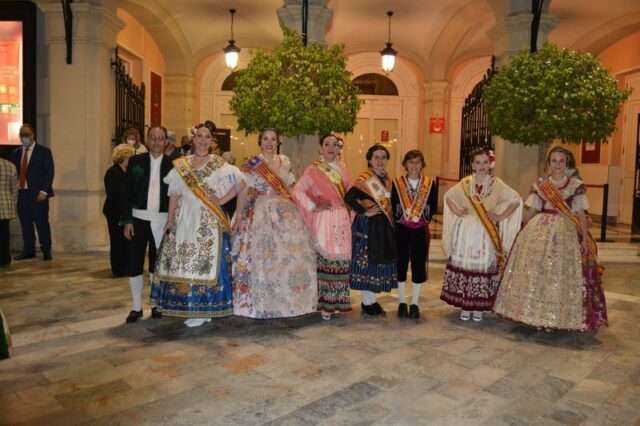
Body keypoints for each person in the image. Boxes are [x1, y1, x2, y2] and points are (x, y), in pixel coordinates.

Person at [493, 146, 608, 332]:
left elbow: (580, 214)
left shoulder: (575, 186)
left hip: (566, 232)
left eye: (561, 161)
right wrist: (521, 227)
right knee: (538, 272)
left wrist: (585, 238)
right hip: (539, 230)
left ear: (567, 163)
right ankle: (537, 315)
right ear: (549, 163)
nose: (557, 164)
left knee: (561, 274)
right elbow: (532, 211)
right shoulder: (541, 185)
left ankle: (558, 317)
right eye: (554, 161)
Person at [151, 125, 246, 327]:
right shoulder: (182, 165)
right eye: (199, 137)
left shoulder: (219, 164)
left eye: (207, 137)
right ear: (193, 140)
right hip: (184, 216)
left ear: (212, 141)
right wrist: (169, 219)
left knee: (204, 263)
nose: (203, 141)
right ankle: (192, 307)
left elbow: (242, 183)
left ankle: (205, 309)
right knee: (185, 262)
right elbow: (174, 193)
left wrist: (221, 200)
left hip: (207, 219)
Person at [232, 127, 317, 319]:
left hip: (285, 212)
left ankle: (289, 303)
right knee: (264, 257)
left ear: (278, 142)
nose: (269, 143)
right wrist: (238, 216)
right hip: (260, 211)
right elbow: (243, 190)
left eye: (273, 139)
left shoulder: (285, 161)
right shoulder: (250, 163)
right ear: (259, 141)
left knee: (288, 258)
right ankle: (262, 303)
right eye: (265, 139)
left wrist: (308, 205)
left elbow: (291, 187)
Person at [440, 148, 522, 322]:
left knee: (483, 264)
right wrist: (455, 209)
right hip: (465, 231)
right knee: (466, 264)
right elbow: (448, 196)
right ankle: (465, 304)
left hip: (485, 232)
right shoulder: (465, 183)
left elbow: (516, 199)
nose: (481, 166)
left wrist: (500, 216)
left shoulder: (496, 184)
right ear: (472, 165)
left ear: (490, 164)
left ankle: (479, 305)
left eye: (485, 162)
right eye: (478, 162)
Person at [292, 134, 353, 320]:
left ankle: (338, 302)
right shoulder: (313, 170)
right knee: (326, 260)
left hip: (342, 217)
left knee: (341, 260)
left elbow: (350, 191)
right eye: (327, 144)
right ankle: (325, 304)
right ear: (320, 148)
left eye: (335, 145)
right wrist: (313, 206)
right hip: (325, 219)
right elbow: (297, 190)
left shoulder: (342, 167)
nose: (331, 148)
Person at [121, 126, 173, 323]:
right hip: (137, 219)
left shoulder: (173, 165)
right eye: (153, 138)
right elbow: (125, 193)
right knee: (134, 263)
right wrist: (127, 221)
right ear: (148, 140)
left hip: (161, 220)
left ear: (166, 142)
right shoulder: (136, 161)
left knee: (156, 263)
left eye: (160, 138)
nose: (157, 142)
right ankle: (136, 307)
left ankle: (155, 304)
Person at [344, 144, 398, 316]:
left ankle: (371, 301)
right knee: (367, 262)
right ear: (369, 159)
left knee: (378, 261)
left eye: (383, 157)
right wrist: (364, 212)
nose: (380, 161)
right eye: (376, 157)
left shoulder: (388, 179)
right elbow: (349, 197)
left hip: (383, 225)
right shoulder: (364, 179)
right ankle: (368, 303)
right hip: (368, 227)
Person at [391, 150, 437, 319]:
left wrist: (420, 217)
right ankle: (402, 302)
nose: (414, 165)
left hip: (419, 230)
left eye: (417, 162)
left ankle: (415, 303)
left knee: (418, 265)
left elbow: (431, 206)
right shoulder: (397, 183)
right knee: (400, 264)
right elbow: (393, 204)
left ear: (422, 165)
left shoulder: (429, 183)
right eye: (410, 162)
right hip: (402, 229)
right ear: (405, 164)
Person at [11, 124, 55, 261]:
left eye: (26, 134)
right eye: (21, 135)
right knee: (25, 223)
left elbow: (49, 172)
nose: (24, 137)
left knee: (41, 223)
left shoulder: (44, 152)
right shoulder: (16, 153)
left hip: (38, 194)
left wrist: (44, 191)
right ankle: (29, 249)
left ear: (33, 135)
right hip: (22, 193)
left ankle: (46, 250)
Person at [103, 144, 136, 277]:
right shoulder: (112, 172)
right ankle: (118, 269)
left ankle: (127, 266)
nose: (132, 160)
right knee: (116, 240)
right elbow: (113, 192)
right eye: (130, 157)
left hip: (126, 211)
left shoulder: (129, 172)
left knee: (127, 240)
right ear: (123, 157)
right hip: (114, 211)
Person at [0, 157, 17, 268]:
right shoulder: (10, 165)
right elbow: (15, 189)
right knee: (4, 233)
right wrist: (13, 204)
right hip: (5, 203)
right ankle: (4, 259)